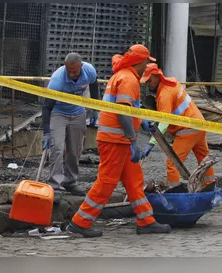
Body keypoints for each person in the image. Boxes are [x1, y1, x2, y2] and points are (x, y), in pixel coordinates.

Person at [67, 45, 172, 237]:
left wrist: (141, 123)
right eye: (147, 61)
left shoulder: (122, 75)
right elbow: (123, 112)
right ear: (139, 62)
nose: (148, 64)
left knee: (134, 181)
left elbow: (128, 111)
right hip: (116, 139)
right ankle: (79, 223)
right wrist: (133, 139)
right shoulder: (128, 79)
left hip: (116, 138)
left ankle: (146, 220)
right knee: (106, 182)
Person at [140, 63, 215, 187]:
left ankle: (174, 190)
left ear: (157, 76)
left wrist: (151, 143)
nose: (148, 85)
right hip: (199, 124)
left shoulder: (165, 94)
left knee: (172, 162)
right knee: (203, 159)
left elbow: (164, 122)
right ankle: (210, 185)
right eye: (146, 82)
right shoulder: (172, 83)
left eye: (149, 81)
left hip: (187, 129)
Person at [42, 52, 100, 203]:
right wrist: (47, 132)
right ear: (65, 67)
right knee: (57, 148)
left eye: (75, 71)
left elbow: (94, 87)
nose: (72, 74)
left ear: (81, 66)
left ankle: (70, 181)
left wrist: (95, 108)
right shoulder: (57, 80)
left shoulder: (89, 71)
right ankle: (55, 185)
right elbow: (47, 107)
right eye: (69, 71)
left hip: (78, 112)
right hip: (58, 113)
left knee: (75, 150)